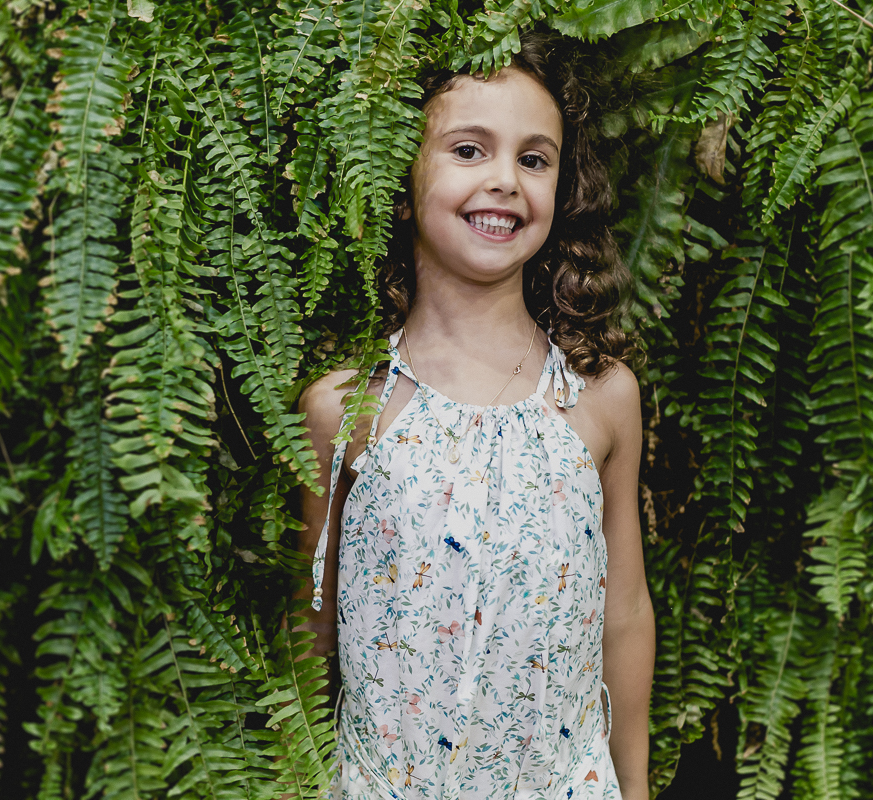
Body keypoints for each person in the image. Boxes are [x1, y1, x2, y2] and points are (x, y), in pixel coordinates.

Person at [296, 32, 655, 800]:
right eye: (468, 150)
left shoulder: (600, 399)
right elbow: (310, 630)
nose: (504, 180)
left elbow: (624, 612)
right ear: (400, 178)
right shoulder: (344, 410)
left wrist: (635, 788)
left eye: (534, 159)